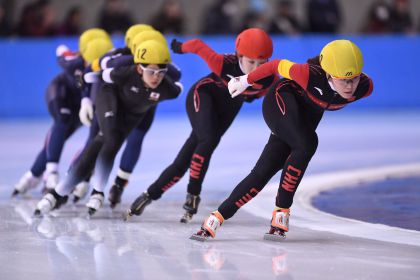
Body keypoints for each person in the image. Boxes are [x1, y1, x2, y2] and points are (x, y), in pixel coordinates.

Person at [191, 39, 374, 241]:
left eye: (354, 79)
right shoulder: (308, 74)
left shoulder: (365, 87)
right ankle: (282, 213)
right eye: (344, 80)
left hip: (304, 118)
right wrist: (245, 81)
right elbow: (276, 64)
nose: (350, 86)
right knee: (307, 143)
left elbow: (349, 86)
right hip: (281, 100)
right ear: (329, 73)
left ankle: (215, 218)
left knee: (265, 170)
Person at [124, 28, 278, 223]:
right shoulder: (224, 63)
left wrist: (258, 100)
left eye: (261, 63)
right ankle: (193, 194)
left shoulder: (270, 77)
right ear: (239, 55)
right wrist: (180, 47)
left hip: (228, 108)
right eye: (251, 62)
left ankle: (148, 195)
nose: (256, 69)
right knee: (208, 139)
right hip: (203, 95)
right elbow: (198, 46)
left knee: (189, 156)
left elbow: (271, 94)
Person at [34, 39, 183, 216]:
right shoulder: (126, 72)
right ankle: (76, 191)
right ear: (139, 68)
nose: (156, 77)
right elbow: (97, 74)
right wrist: (85, 89)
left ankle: (78, 191)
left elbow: (178, 86)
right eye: (151, 71)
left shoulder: (168, 89)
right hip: (109, 99)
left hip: (130, 117)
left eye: (161, 72)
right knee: (107, 136)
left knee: (109, 144)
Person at [11, 34, 112, 197]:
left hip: (81, 105)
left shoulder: (108, 72)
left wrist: (83, 176)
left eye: (98, 67)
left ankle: (33, 175)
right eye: (90, 64)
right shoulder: (75, 62)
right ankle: (51, 173)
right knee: (62, 122)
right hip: (61, 94)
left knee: (88, 136)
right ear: (83, 56)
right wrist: (71, 53)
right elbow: (60, 51)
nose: (93, 70)